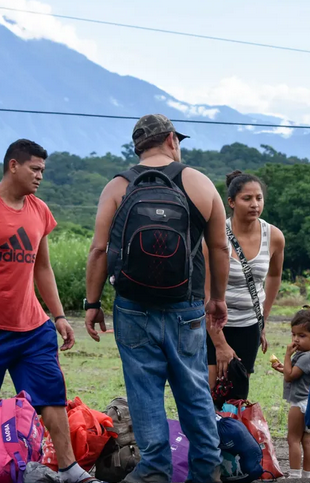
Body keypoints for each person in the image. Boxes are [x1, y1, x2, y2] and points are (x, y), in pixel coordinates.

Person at [84, 114, 230, 483]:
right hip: (187, 305)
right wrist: (217, 299)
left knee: (144, 390)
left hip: (133, 307)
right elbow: (219, 248)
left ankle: (153, 469)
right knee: (194, 389)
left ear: (137, 147)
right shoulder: (199, 182)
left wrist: (92, 303)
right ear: (171, 139)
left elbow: (99, 250)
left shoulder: (117, 186)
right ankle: (206, 469)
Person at [0, 139, 100, 483]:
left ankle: (70, 469)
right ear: (13, 165)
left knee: (51, 395)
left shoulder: (39, 210)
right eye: (35, 169)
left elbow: (42, 268)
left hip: (32, 328)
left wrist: (59, 316)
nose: (40, 176)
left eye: (43, 170)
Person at [205, 171, 285, 390]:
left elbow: (274, 276)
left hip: (249, 326)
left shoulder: (274, 236)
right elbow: (204, 294)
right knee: (210, 393)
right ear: (231, 202)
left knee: (237, 396)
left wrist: (262, 321)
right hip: (215, 327)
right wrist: (220, 344)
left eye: (259, 198)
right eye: (247, 198)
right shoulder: (214, 236)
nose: (254, 204)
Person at [272, 307, 310, 479]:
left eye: (302, 335)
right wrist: (282, 368)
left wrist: (286, 356)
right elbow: (295, 373)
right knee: (307, 440)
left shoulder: (305, 357)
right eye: (294, 334)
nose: (296, 339)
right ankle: (307, 475)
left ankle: (295, 475)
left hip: (299, 404)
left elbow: (290, 376)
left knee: (293, 439)